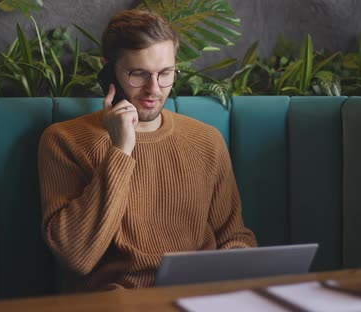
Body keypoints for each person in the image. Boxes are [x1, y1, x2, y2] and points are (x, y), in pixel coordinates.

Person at [37, 9, 257, 292]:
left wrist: (229, 268)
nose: (154, 89)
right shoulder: (64, 140)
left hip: (198, 297)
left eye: (166, 73)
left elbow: (234, 236)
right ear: (108, 71)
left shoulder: (206, 140)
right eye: (138, 74)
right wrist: (120, 149)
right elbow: (77, 256)